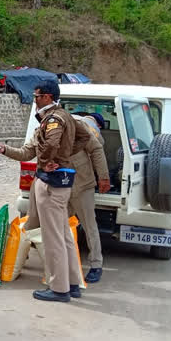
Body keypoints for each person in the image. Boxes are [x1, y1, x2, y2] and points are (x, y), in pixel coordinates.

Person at [0, 80, 87, 302]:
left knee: (53, 238)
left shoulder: (53, 119)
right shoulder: (67, 117)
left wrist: (48, 161)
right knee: (63, 236)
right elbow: (83, 138)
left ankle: (59, 288)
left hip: (52, 183)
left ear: (47, 97)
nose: (34, 101)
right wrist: (4, 149)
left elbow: (51, 144)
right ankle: (73, 283)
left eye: (36, 97)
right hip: (61, 181)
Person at [71, 113, 110, 283]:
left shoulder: (79, 124)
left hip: (81, 185)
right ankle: (91, 265)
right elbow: (100, 148)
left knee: (86, 224)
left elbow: (96, 149)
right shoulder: (92, 129)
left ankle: (96, 265)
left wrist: (103, 177)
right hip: (64, 185)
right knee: (87, 226)